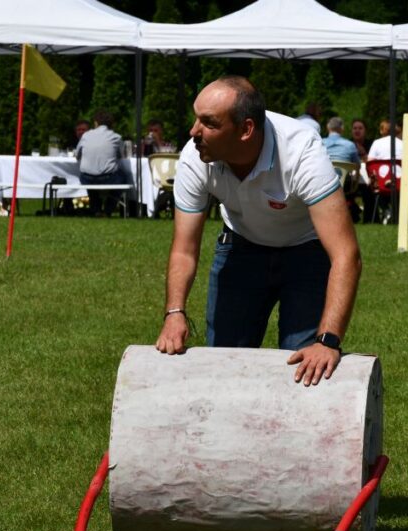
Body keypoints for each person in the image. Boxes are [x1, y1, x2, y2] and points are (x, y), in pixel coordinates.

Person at [155, 76, 362, 387]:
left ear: (246, 130)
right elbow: (184, 250)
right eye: (196, 118)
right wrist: (174, 312)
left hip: (307, 253)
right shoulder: (194, 157)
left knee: (305, 369)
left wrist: (328, 341)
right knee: (223, 364)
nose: (193, 132)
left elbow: (346, 254)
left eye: (208, 123)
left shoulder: (301, 151)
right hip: (240, 248)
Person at [75, 110, 127, 217]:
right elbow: (122, 156)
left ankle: (96, 209)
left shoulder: (86, 136)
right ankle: (108, 210)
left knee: (89, 177)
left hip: (87, 178)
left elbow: (77, 155)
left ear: (96, 123)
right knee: (123, 177)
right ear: (112, 124)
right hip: (108, 178)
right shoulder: (116, 137)